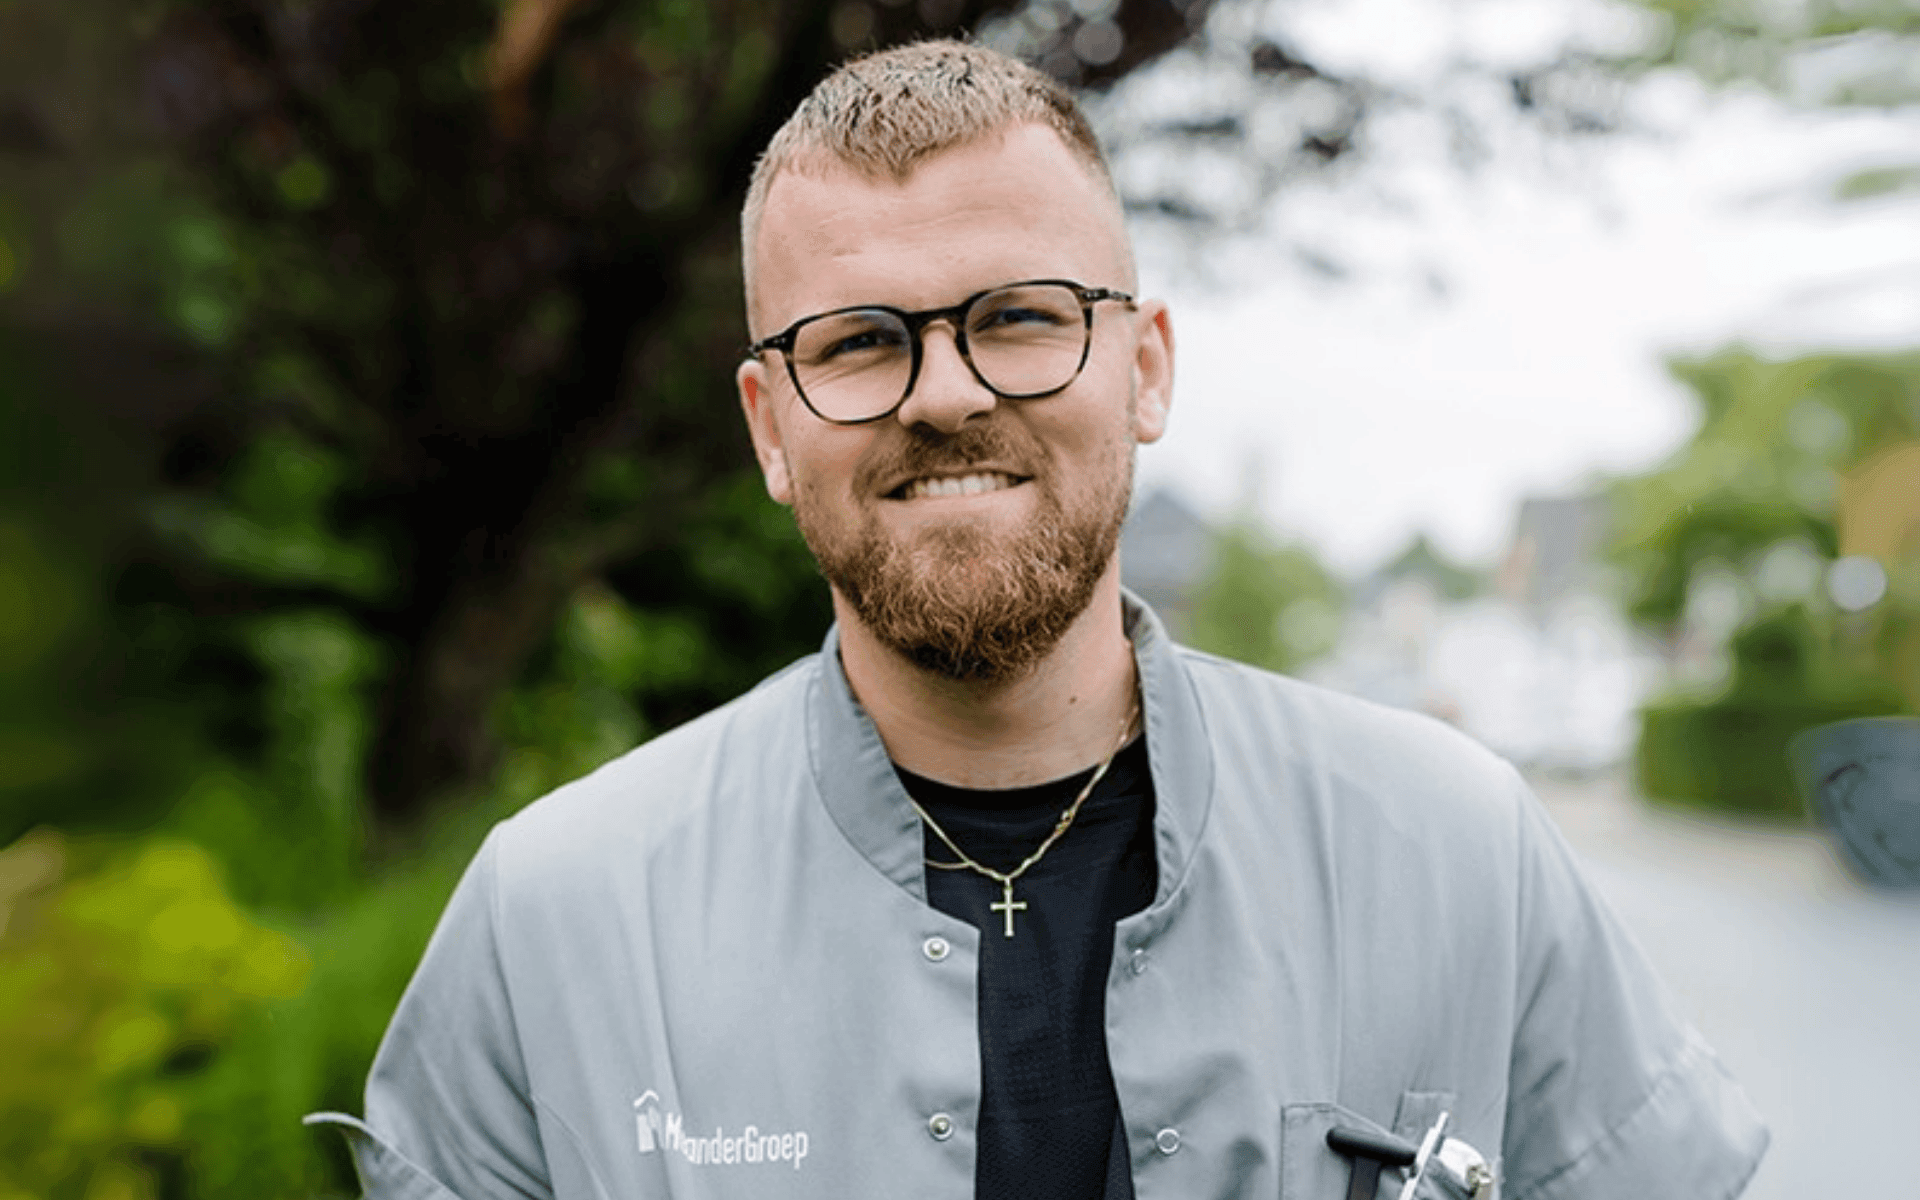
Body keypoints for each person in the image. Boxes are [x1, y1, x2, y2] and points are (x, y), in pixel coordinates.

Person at [309, 39, 1769, 1200]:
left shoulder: (1461, 854)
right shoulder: (553, 917)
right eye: (860, 340)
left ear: (1144, 368)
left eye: (1017, 316)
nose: (946, 392)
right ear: (768, 426)